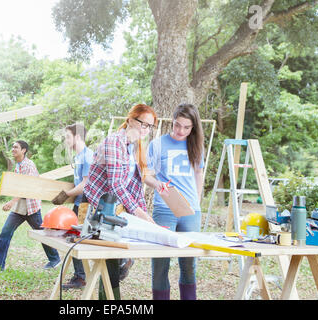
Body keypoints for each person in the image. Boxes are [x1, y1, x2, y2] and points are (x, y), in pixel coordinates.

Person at [83, 104, 160, 300]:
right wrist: (139, 214)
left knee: (114, 262)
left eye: (150, 126)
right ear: (131, 120)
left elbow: (134, 186)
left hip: (116, 207)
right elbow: (115, 186)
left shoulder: (134, 147)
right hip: (99, 206)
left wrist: (145, 215)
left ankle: (110, 295)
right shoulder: (114, 142)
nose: (145, 129)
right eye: (143, 124)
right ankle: (109, 299)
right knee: (110, 262)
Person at [145, 103, 204, 300]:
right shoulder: (158, 144)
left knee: (189, 264)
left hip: (190, 212)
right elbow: (146, 175)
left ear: (193, 127)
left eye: (186, 128)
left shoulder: (195, 144)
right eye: (177, 125)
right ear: (172, 121)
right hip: (164, 209)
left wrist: (196, 203)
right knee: (161, 264)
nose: (181, 131)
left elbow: (198, 173)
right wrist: (158, 185)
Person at [0, 140, 61, 272]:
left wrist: (12, 202)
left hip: (31, 207)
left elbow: (26, 188)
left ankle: (54, 259)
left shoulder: (28, 165)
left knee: (42, 234)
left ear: (23, 150)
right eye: (12, 147)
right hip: (20, 208)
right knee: (5, 233)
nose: (13, 149)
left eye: (16, 147)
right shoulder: (18, 165)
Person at [52, 123, 94, 289]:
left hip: (87, 203)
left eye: (68, 136)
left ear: (77, 137)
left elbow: (85, 185)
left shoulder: (88, 156)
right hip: (78, 202)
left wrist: (66, 195)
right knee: (75, 237)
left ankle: (122, 262)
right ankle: (80, 277)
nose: (65, 140)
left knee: (80, 238)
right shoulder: (77, 157)